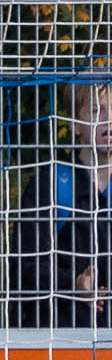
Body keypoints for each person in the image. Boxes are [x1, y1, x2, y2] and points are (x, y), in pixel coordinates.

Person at [11, 81, 112, 328]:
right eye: (96, 110)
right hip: (62, 340)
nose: (109, 119)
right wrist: (75, 283)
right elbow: (23, 268)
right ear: (74, 124)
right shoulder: (52, 183)